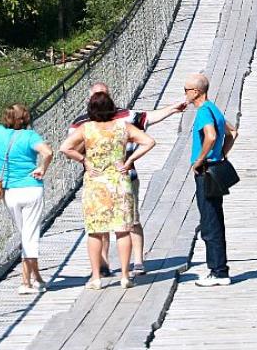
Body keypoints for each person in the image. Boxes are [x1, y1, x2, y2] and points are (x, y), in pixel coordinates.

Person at [64, 82, 186, 276]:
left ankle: (136, 262)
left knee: (129, 220)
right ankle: (105, 266)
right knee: (106, 225)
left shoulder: (123, 117)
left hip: (118, 178)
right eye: (97, 96)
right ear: (91, 99)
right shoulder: (82, 124)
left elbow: (149, 117)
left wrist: (172, 108)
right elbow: (73, 147)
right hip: (110, 177)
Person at [61, 90, 156, 290]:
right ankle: (124, 275)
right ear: (112, 107)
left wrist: (84, 160)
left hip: (96, 184)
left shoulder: (86, 129)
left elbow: (65, 148)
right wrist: (129, 160)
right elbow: (149, 141)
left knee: (95, 231)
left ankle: (96, 277)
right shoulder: (123, 126)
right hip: (120, 182)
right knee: (123, 230)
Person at [0, 104, 54, 294]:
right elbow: (48, 152)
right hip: (31, 189)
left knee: (25, 234)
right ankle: (25, 283)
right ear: (26, 119)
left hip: (10, 193)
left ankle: (37, 278)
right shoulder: (30, 136)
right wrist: (42, 168)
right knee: (30, 236)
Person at [184, 72, 236, 287]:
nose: (185, 94)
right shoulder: (214, 108)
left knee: (209, 220)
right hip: (217, 168)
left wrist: (200, 159)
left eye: (186, 90)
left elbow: (212, 135)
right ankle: (219, 268)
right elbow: (232, 132)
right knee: (215, 215)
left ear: (196, 92)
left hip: (206, 171)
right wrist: (222, 154)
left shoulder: (203, 112)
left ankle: (218, 271)